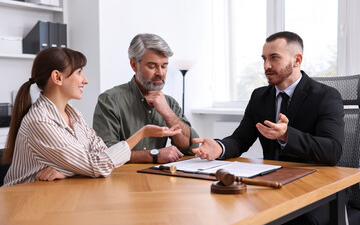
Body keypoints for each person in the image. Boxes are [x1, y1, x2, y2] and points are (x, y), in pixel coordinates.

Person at [192, 31, 344, 224]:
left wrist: (287, 135)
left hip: (316, 188)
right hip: (270, 184)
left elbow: (333, 151)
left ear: (297, 60)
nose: (266, 66)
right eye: (264, 59)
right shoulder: (259, 96)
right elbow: (240, 139)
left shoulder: (326, 96)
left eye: (274, 58)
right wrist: (219, 147)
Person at [2, 47, 181, 187]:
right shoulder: (40, 121)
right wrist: (142, 133)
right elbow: (98, 165)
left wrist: (68, 170)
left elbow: (102, 154)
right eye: (79, 72)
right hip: (23, 202)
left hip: (55, 195)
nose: (85, 80)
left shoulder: (73, 114)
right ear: (57, 77)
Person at [93, 33, 199, 164]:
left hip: (159, 179)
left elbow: (190, 147)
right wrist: (153, 155)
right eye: (152, 66)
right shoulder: (110, 100)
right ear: (134, 65)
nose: (160, 73)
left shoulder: (169, 103)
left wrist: (167, 113)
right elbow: (105, 153)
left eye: (164, 66)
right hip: (121, 180)